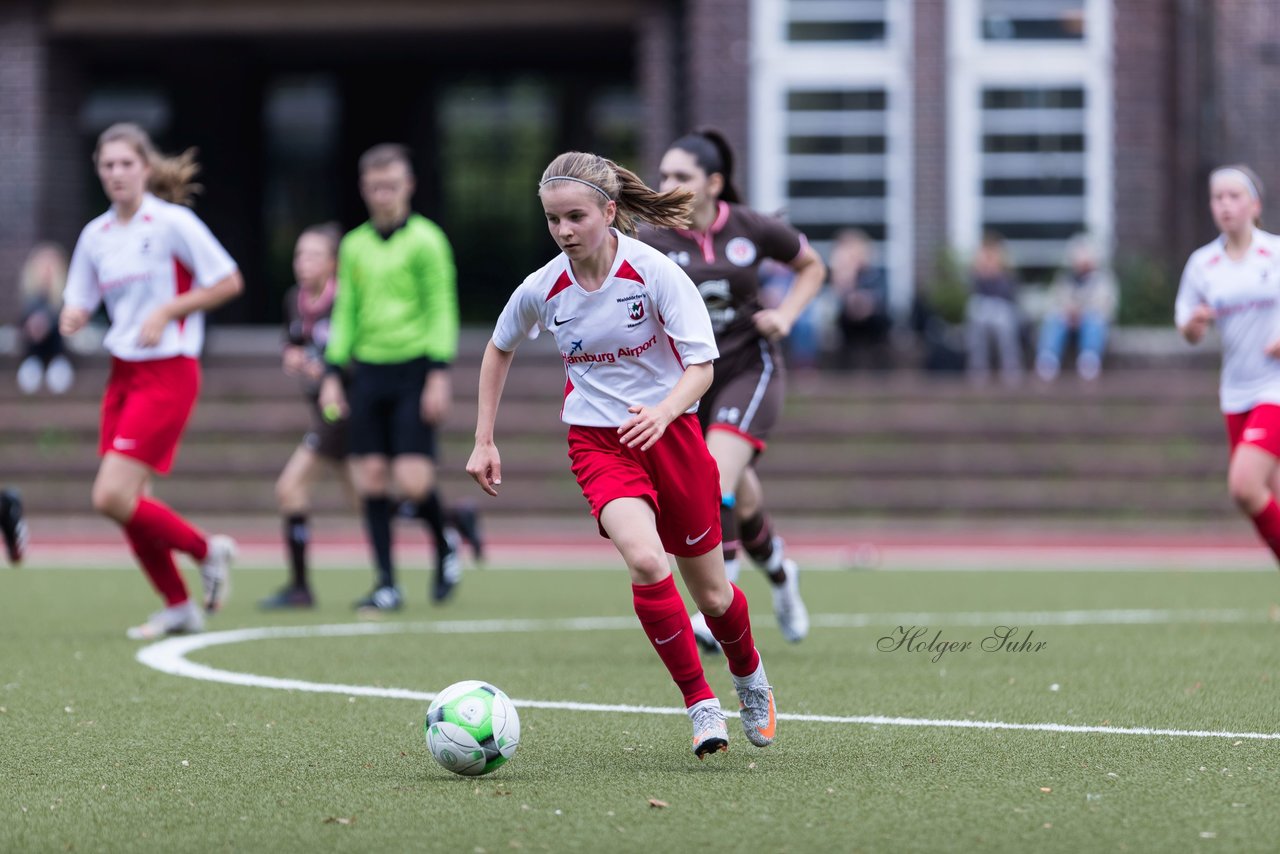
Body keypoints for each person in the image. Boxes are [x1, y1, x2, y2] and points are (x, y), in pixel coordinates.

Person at [466, 150, 777, 758]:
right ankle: (700, 706)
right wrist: (484, 438)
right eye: (553, 221)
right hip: (598, 443)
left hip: (673, 437)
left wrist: (663, 412)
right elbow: (497, 348)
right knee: (644, 560)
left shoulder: (654, 272)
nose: (563, 232)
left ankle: (750, 677)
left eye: (575, 217)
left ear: (609, 212)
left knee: (713, 596)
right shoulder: (542, 286)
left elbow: (702, 367)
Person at [638, 128, 824, 649]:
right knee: (740, 497)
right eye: (664, 175)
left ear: (714, 183)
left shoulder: (751, 228)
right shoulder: (652, 241)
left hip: (748, 368)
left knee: (713, 476)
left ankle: (715, 608)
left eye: (681, 176)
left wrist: (786, 315)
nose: (667, 184)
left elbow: (812, 266)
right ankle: (782, 572)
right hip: (688, 382)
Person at [58, 122, 241, 639]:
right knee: (129, 503)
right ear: (99, 170)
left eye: (126, 163)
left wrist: (169, 309)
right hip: (124, 374)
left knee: (109, 496)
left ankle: (208, 551)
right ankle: (180, 606)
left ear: (145, 167)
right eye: (108, 165)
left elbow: (228, 280)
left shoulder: (172, 223)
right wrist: (72, 315)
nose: (117, 173)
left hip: (169, 370)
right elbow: (81, 297)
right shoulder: (95, 235)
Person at [319, 143, 467, 611]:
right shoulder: (353, 245)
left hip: (414, 369)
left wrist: (439, 372)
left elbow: (441, 307)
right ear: (364, 189)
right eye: (375, 187)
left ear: (408, 187)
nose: (383, 195)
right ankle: (386, 583)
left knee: (415, 482)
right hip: (368, 371)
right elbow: (345, 311)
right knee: (373, 480)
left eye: (392, 186)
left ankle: (445, 543)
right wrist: (331, 371)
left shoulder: (427, 240)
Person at [1176, 164, 1280, 569]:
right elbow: (1186, 325)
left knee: (1243, 486)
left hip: (1275, 388)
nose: (1225, 205)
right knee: (1270, 492)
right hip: (1235, 392)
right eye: (1217, 198)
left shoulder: (1275, 253)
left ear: (1254, 204)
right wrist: (1193, 326)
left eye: (1234, 196)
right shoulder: (1203, 264)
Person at [259, 223, 355, 609]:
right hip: (321, 411)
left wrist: (332, 373)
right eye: (299, 255)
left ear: (333, 263)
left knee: (290, 488)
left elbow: (357, 357)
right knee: (366, 501)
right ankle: (446, 520)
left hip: (343, 413)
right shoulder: (293, 300)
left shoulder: (346, 301)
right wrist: (293, 357)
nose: (303, 263)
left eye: (313, 255)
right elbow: (294, 343)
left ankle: (300, 588)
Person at [1035, 233, 1119, 382]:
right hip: (1066, 323)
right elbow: (1053, 302)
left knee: (1094, 320)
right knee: (1054, 320)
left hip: (1089, 322)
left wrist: (1082, 312)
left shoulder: (1102, 280)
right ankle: (1048, 358)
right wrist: (1067, 311)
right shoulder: (1064, 279)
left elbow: (1106, 306)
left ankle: (1089, 359)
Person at [964, 231, 1024, 385]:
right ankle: (978, 369)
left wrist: (996, 274)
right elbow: (973, 292)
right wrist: (982, 273)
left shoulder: (1008, 273)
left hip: (1002, 310)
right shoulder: (976, 273)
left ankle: (1011, 369)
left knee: (1004, 323)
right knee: (976, 315)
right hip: (983, 309)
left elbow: (1010, 295)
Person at [15, 242, 75, 395]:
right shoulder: (30, 297)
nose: (46, 270)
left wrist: (49, 322)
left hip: (59, 353)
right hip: (34, 354)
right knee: (29, 379)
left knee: (59, 380)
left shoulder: (66, 296)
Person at [828, 228, 891, 371]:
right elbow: (840, 298)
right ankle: (846, 370)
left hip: (873, 320)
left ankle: (880, 367)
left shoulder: (876, 273)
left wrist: (865, 303)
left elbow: (880, 297)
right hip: (850, 321)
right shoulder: (844, 274)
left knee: (880, 322)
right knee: (843, 321)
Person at [1, 486, 28, 565]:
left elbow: (19, 528)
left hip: (11, 522)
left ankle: (15, 551)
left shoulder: (12, 516)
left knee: (12, 533)